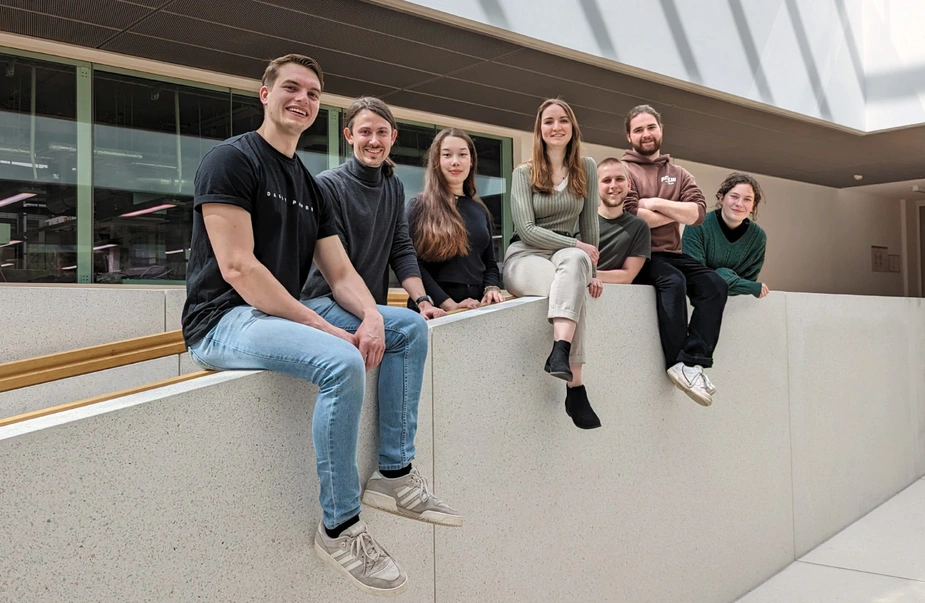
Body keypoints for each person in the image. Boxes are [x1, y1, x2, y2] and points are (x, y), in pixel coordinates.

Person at [181, 55, 456, 598]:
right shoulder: (230, 160)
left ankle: (394, 474)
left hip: (278, 312)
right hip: (225, 318)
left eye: (312, 92)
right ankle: (340, 527)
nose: (301, 99)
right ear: (265, 94)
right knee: (340, 359)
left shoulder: (307, 183)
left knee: (408, 329)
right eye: (290, 87)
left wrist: (374, 314)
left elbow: (341, 272)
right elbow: (238, 268)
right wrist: (324, 329)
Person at [301, 96, 447, 320]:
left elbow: (401, 249)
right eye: (365, 132)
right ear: (349, 136)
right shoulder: (328, 185)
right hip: (327, 304)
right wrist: (371, 314)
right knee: (409, 327)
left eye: (382, 132)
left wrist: (422, 301)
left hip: (370, 307)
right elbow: (340, 268)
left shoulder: (394, 186)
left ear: (393, 137)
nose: (374, 141)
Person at [503, 98, 601, 430]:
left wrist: (593, 270)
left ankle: (560, 350)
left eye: (562, 120)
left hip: (565, 254)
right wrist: (576, 245)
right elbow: (527, 229)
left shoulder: (586, 167)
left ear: (572, 127)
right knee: (570, 281)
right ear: (539, 129)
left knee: (575, 267)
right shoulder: (524, 172)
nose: (556, 127)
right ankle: (576, 387)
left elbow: (590, 226)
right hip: (526, 254)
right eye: (548, 121)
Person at [622, 104, 728, 407]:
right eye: (639, 129)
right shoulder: (623, 170)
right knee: (674, 281)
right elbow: (634, 217)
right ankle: (677, 364)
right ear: (629, 135)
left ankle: (692, 361)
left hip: (672, 253)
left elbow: (697, 213)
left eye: (651, 127)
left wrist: (654, 201)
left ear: (661, 130)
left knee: (715, 285)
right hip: (638, 254)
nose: (646, 134)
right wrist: (675, 210)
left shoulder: (679, 173)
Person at [406, 127, 504, 311]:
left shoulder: (480, 210)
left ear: (471, 160)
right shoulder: (418, 206)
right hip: (435, 309)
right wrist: (449, 304)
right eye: (447, 155)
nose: (455, 162)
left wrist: (491, 288)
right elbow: (411, 264)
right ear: (436, 160)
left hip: (475, 308)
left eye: (462, 154)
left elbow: (490, 263)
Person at [682, 172, 769, 298]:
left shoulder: (758, 238)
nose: (739, 203)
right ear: (721, 197)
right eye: (734, 196)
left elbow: (749, 279)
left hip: (734, 307)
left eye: (747, 199)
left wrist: (721, 275)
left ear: (753, 206)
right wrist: (747, 286)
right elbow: (695, 276)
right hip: (693, 302)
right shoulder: (697, 224)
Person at [593, 158, 650, 288]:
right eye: (607, 180)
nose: (613, 185)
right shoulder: (579, 220)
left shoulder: (639, 227)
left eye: (619, 179)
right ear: (595, 186)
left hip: (616, 298)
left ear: (629, 185)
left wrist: (589, 275)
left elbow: (627, 276)